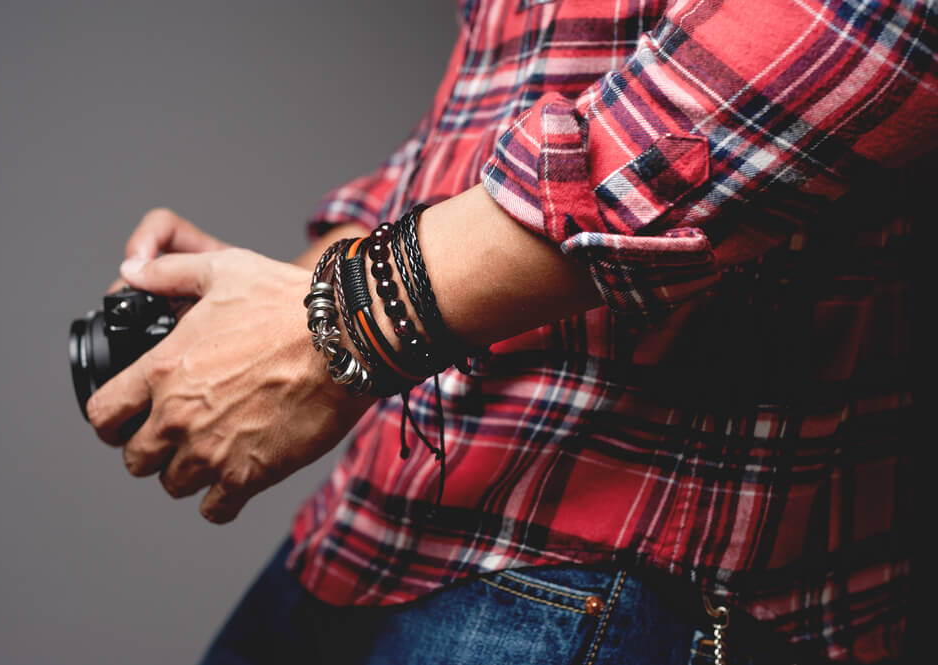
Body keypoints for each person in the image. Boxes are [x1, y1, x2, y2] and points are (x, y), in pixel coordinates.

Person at [88, 1, 931, 662]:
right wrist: (274, 306)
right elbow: (492, 124)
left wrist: (332, 327)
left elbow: (857, 29)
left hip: (605, 563)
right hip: (372, 536)